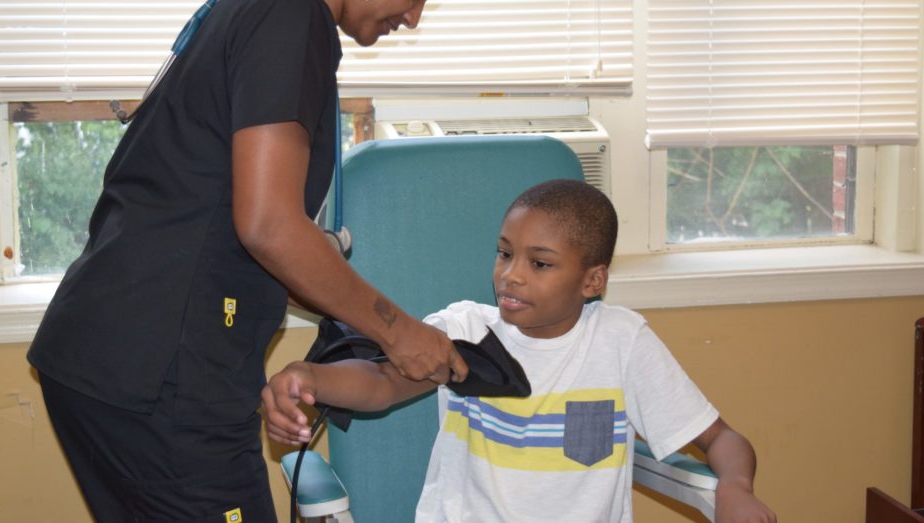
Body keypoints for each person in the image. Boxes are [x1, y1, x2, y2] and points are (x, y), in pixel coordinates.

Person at [27, 0, 467, 521]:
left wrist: (349, 342)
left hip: (114, 353)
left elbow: (233, 220)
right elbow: (267, 226)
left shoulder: (252, 3)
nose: (413, 16)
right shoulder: (292, 18)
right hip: (160, 374)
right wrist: (398, 330)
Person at [263, 179, 777, 523]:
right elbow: (379, 383)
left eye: (540, 264)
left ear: (592, 280)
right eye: (505, 254)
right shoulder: (465, 332)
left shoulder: (621, 342)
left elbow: (722, 439)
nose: (511, 274)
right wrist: (309, 377)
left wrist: (735, 485)